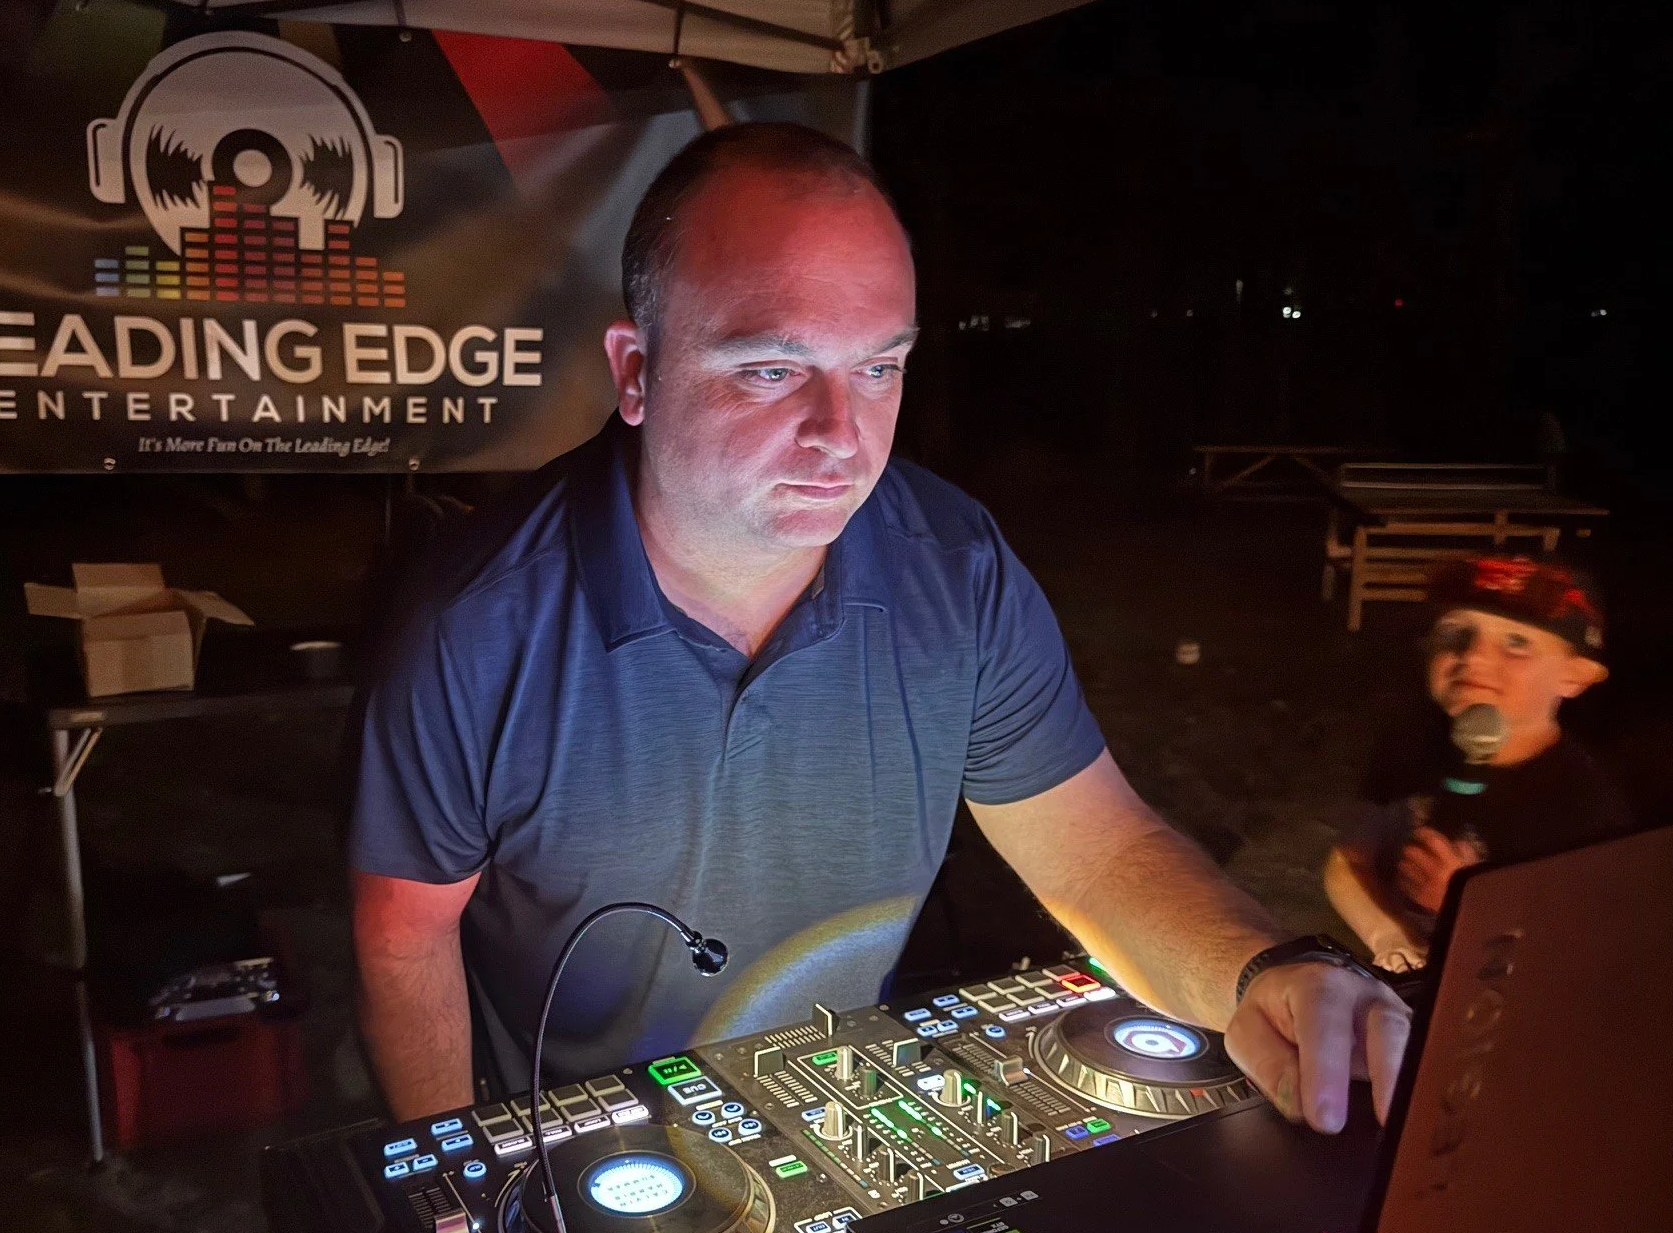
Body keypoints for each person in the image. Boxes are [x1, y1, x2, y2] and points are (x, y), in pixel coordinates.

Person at [350, 122, 1408, 1135]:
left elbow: (1096, 855)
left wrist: (1263, 970)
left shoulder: (956, 569)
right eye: (771, 369)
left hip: (842, 1115)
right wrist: (467, 1189)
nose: (841, 438)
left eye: (879, 367)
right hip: (573, 1132)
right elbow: (406, 936)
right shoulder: (474, 625)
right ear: (636, 371)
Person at [1325, 553, 1628, 971]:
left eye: (1517, 642)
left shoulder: (1586, 809)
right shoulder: (1413, 743)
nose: (1473, 657)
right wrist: (1391, 937)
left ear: (1575, 675)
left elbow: (1589, 951)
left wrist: (1471, 903)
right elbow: (1349, 860)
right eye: (1456, 632)